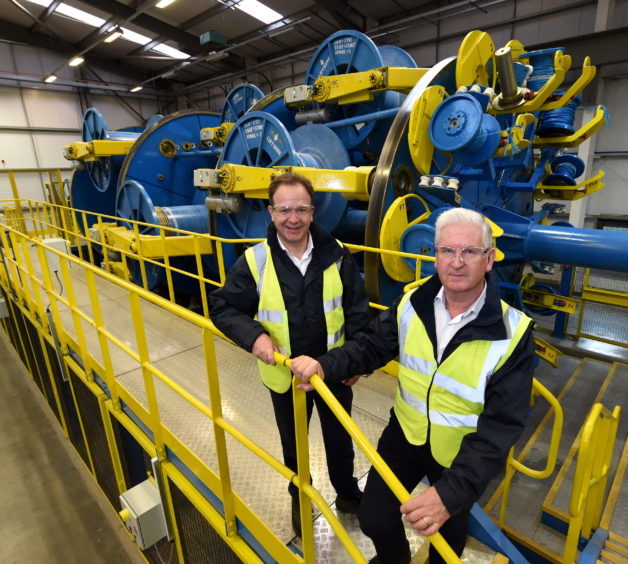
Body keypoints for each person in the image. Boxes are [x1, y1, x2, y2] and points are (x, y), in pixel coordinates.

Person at [290, 207, 535, 563]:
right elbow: (372, 346)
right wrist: (325, 365)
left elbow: (502, 426)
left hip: (458, 455)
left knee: (446, 543)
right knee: (374, 518)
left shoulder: (513, 333)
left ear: (490, 258)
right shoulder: (412, 302)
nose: (457, 262)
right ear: (435, 256)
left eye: (470, 251)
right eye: (447, 251)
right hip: (405, 434)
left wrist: (451, 494)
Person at [209, 172, 368, 537]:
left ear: (313, 212)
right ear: (270, 212)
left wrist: (356, 361)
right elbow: (223, 307)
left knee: (340, 440)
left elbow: (357, 311)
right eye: (284, 210)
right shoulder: (256, 261)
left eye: (300, 209)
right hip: (285, 375)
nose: (292, 218)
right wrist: (255, 338)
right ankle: (301, 496)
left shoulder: (336, 255)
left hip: (333, 371)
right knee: (293, 445)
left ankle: (346, 493)